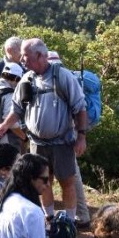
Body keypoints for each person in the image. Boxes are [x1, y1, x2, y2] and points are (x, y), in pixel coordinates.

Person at [0, 39, 87, 224]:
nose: (22, 59)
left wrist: (81, 137)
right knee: (43, 182)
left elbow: (80, 107)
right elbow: (17, 109)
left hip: (62, 142)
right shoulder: (27, 79)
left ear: (39, 55)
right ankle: (50, 219)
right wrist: (5, 125)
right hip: (37, 143)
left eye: (25, 56)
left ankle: (69, 224)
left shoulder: (63, 77)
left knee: (67, 182)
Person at [45, 50, 91, 228]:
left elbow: (79, 108)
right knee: (71, 177)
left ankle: (75, 218)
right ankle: (80, 215)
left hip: (64, 138)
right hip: (71, 134)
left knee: (68, 179)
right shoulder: (68, 77)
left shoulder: (61, 80)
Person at [0, 61, 27, 151]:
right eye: (19, 80)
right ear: (15, 78)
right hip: (7, 139)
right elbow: (11, 123)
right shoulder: (9, 94)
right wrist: (24, 137)